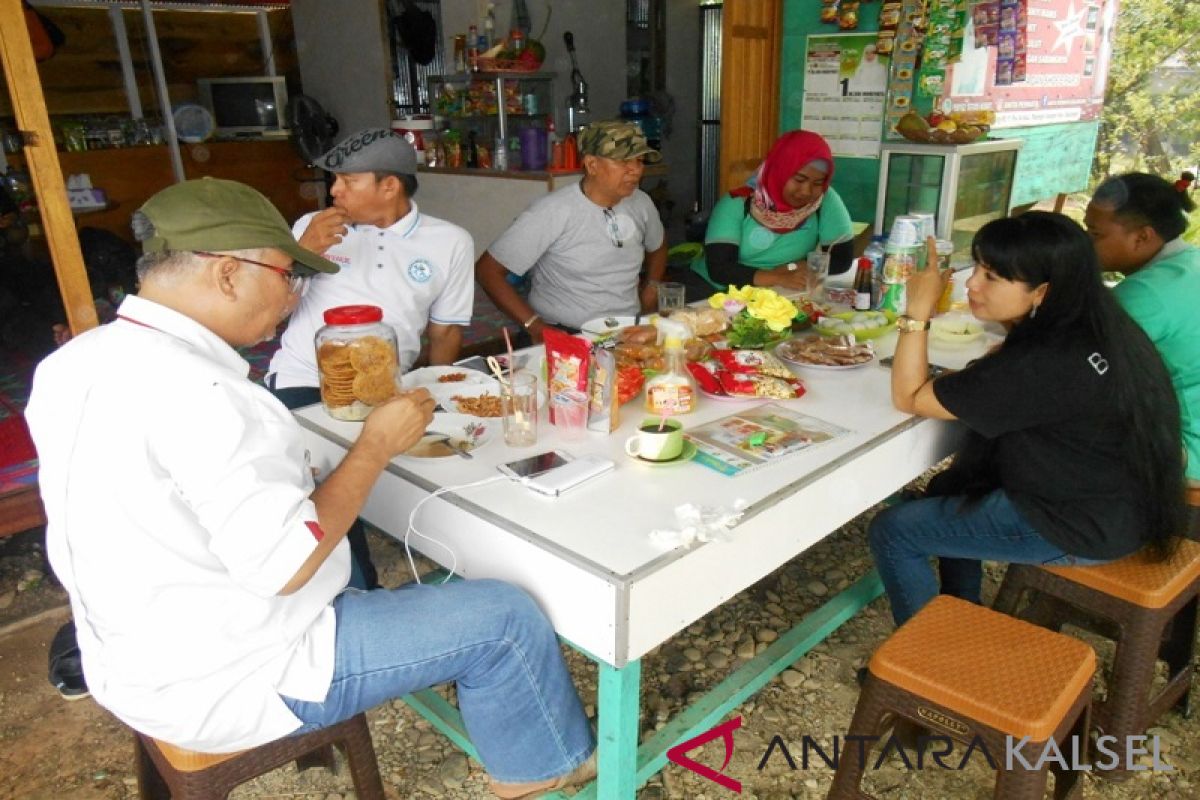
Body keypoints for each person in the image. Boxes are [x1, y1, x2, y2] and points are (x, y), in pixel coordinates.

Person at [26, 178, 595, 798]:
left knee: (376, 569)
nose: (293, 297)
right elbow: (289, 565)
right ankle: (544, 769)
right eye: (284, 275)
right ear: (226, 274)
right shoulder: (210, 394)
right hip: (235, 676)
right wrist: (375, 445)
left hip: (130, 655)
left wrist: (301, 476)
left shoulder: (74, 362)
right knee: (505, 614)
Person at [868, 212, 1186, 627]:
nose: (971, 284)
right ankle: (961, 608)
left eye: (992, 276)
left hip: (1081, 524)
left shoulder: (1042, 363)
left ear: (1042, 291)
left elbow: (909, 395)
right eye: (978, 267)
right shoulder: (1096, 325)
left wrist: (918, 310)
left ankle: (923, 658)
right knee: (949, 487)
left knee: (895, 529)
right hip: (1124, 501)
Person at [268, 128, 474, 392]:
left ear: (389, 186)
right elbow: (271, 311)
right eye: (335, 179)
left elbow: (445, 332)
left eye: (348, 180)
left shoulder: (451, 242)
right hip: (304, 378)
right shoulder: (312, 226)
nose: (334, 190)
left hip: (387, 383)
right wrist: (305, 253)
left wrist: (439, 391)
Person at [476, 120, 668, 341]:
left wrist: (651, 289)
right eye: (624, 161)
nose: (635, 170)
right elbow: (488, 271)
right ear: (592, 165)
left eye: (640, 160)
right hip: (568, 332)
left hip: (626, 330)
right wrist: (535, 327)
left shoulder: (641, 202)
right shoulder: (554, 211)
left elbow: (658, 245)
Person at [1085, 174, 1199, 488]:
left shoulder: (1146, 294)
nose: (1084, 243)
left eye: (1094, 234)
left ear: (1142, 237)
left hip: (1188, 451)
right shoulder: (1190, 262)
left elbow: (1075, 362)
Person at [688, 129, 854, 296]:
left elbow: (841, 260)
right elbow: (720, 269)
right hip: (716, 289)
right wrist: (775, 277)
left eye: (818, 183)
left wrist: (793, 268)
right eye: (799, 179)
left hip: (781, 290)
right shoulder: (736, 203)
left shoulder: (824, 201)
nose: (806, 191)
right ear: (780, 171)